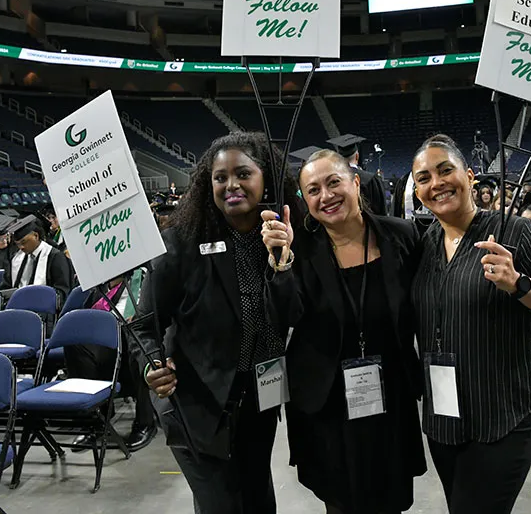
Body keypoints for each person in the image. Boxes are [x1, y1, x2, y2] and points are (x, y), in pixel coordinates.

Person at [410, 135, 531, 514]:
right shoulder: (425, 243)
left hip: (502, 416)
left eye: (445, 171)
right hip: (444, 419)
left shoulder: (513, 232)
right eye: (423, 178)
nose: (435, 183)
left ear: (470, 176)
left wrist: (519, 284)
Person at [131, 132, 299, 514]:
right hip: (195, 403)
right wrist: (151, 368)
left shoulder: (283, 237)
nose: (231, 185)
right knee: (220, 505)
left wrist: (282, 263)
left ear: (266, 179)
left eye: (243, 174)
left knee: (257, 497)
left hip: (260, 396)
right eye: (220, 177)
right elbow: (143, 326)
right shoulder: (181, 243)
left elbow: (291, 317)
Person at [260, 149, 426, 514]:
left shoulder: (402, 236)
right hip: (327, 403)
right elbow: (282, 316)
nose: (326, 196)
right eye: (313, 190)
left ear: (355, 182)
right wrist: (281, 263)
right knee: (340, 502)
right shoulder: (298, 248)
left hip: (390, 396)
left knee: (390, 498)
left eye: (333, 182)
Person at [65, 273, 158, 452]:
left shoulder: (144, 277)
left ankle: (145, 422)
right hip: (107, 341)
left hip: (136, 336)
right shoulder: (100, 285)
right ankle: (96, 419)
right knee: (76, 344)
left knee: (137, 341)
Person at [0, 215, 72, 303]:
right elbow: (6, 287)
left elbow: (62, 292)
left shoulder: (55, 257)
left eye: (24, 242)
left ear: (36, 236)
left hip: (44, 310)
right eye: (18, 244)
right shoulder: (16, 258)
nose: (21, 247)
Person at [328, 134, 388, 217]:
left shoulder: (330, 181)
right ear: (357, 156)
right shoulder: (370, 179)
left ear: (338, 158)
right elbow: (381, 213)